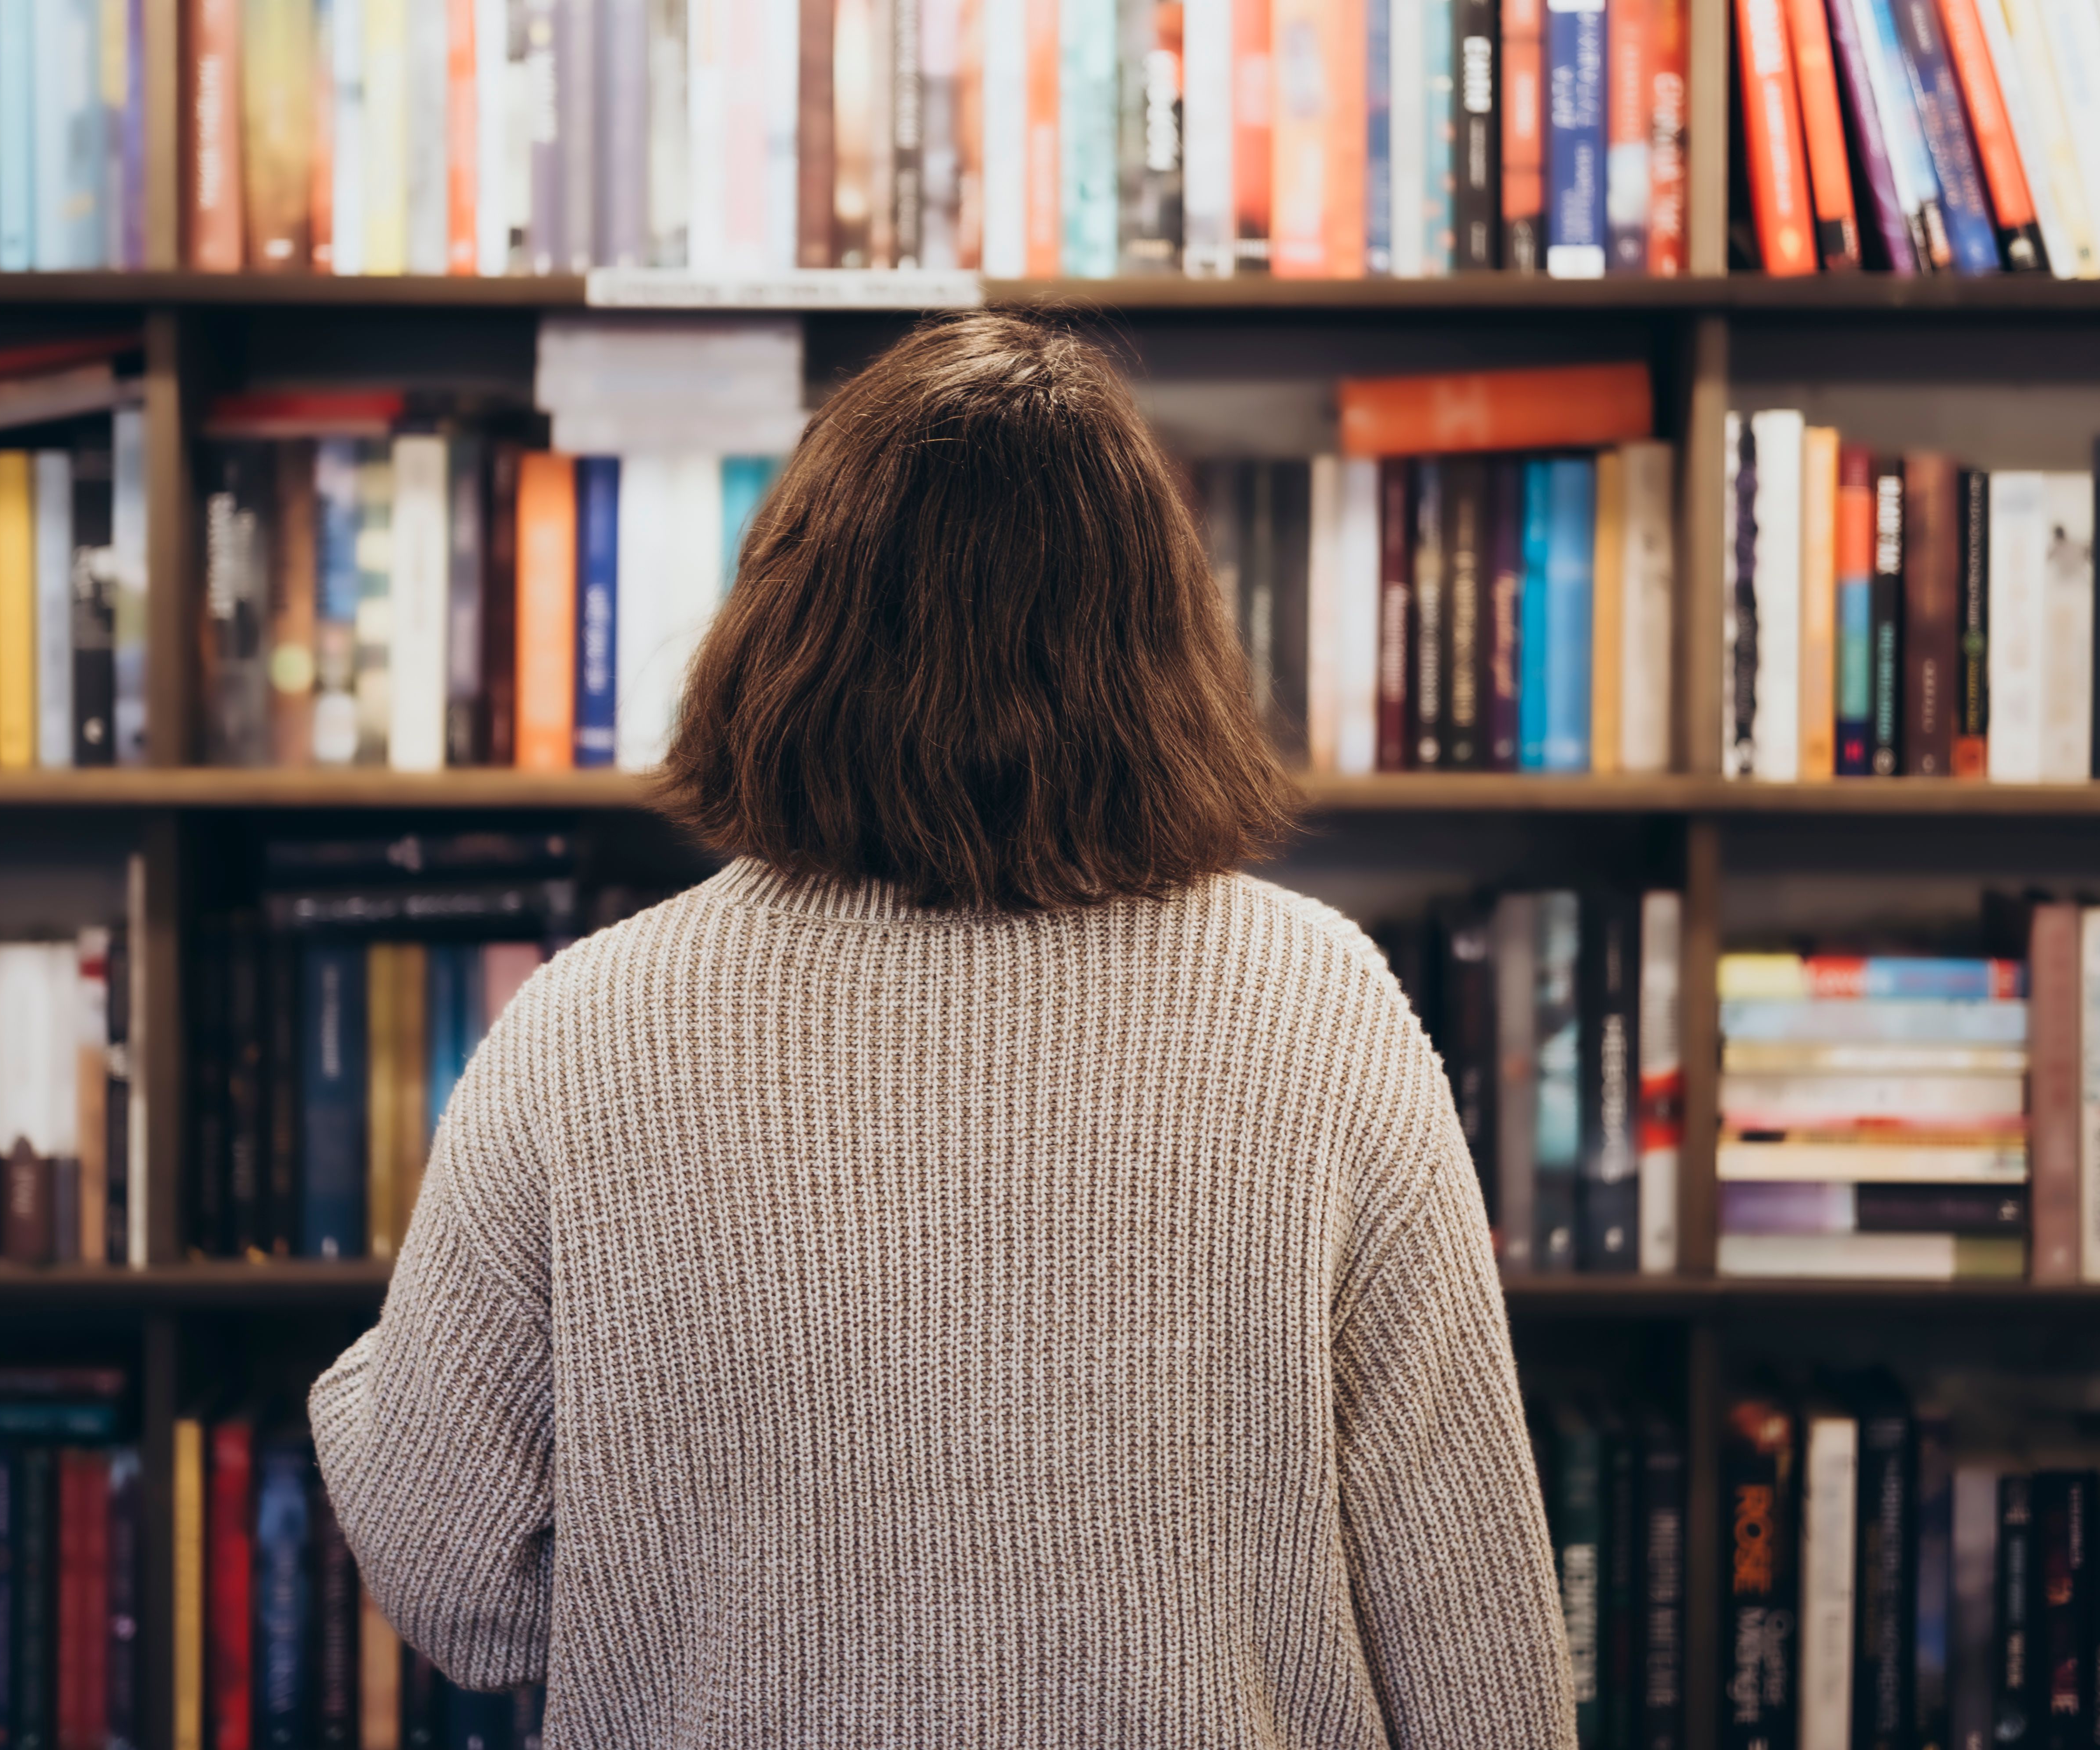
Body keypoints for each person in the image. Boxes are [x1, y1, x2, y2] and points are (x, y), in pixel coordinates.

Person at [310, 313, 1575, 1747]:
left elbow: (457, 1581)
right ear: (1166, 644)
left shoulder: (585, 1028)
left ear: (782, 623)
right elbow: (1478, 1657)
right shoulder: (1324, 1012)